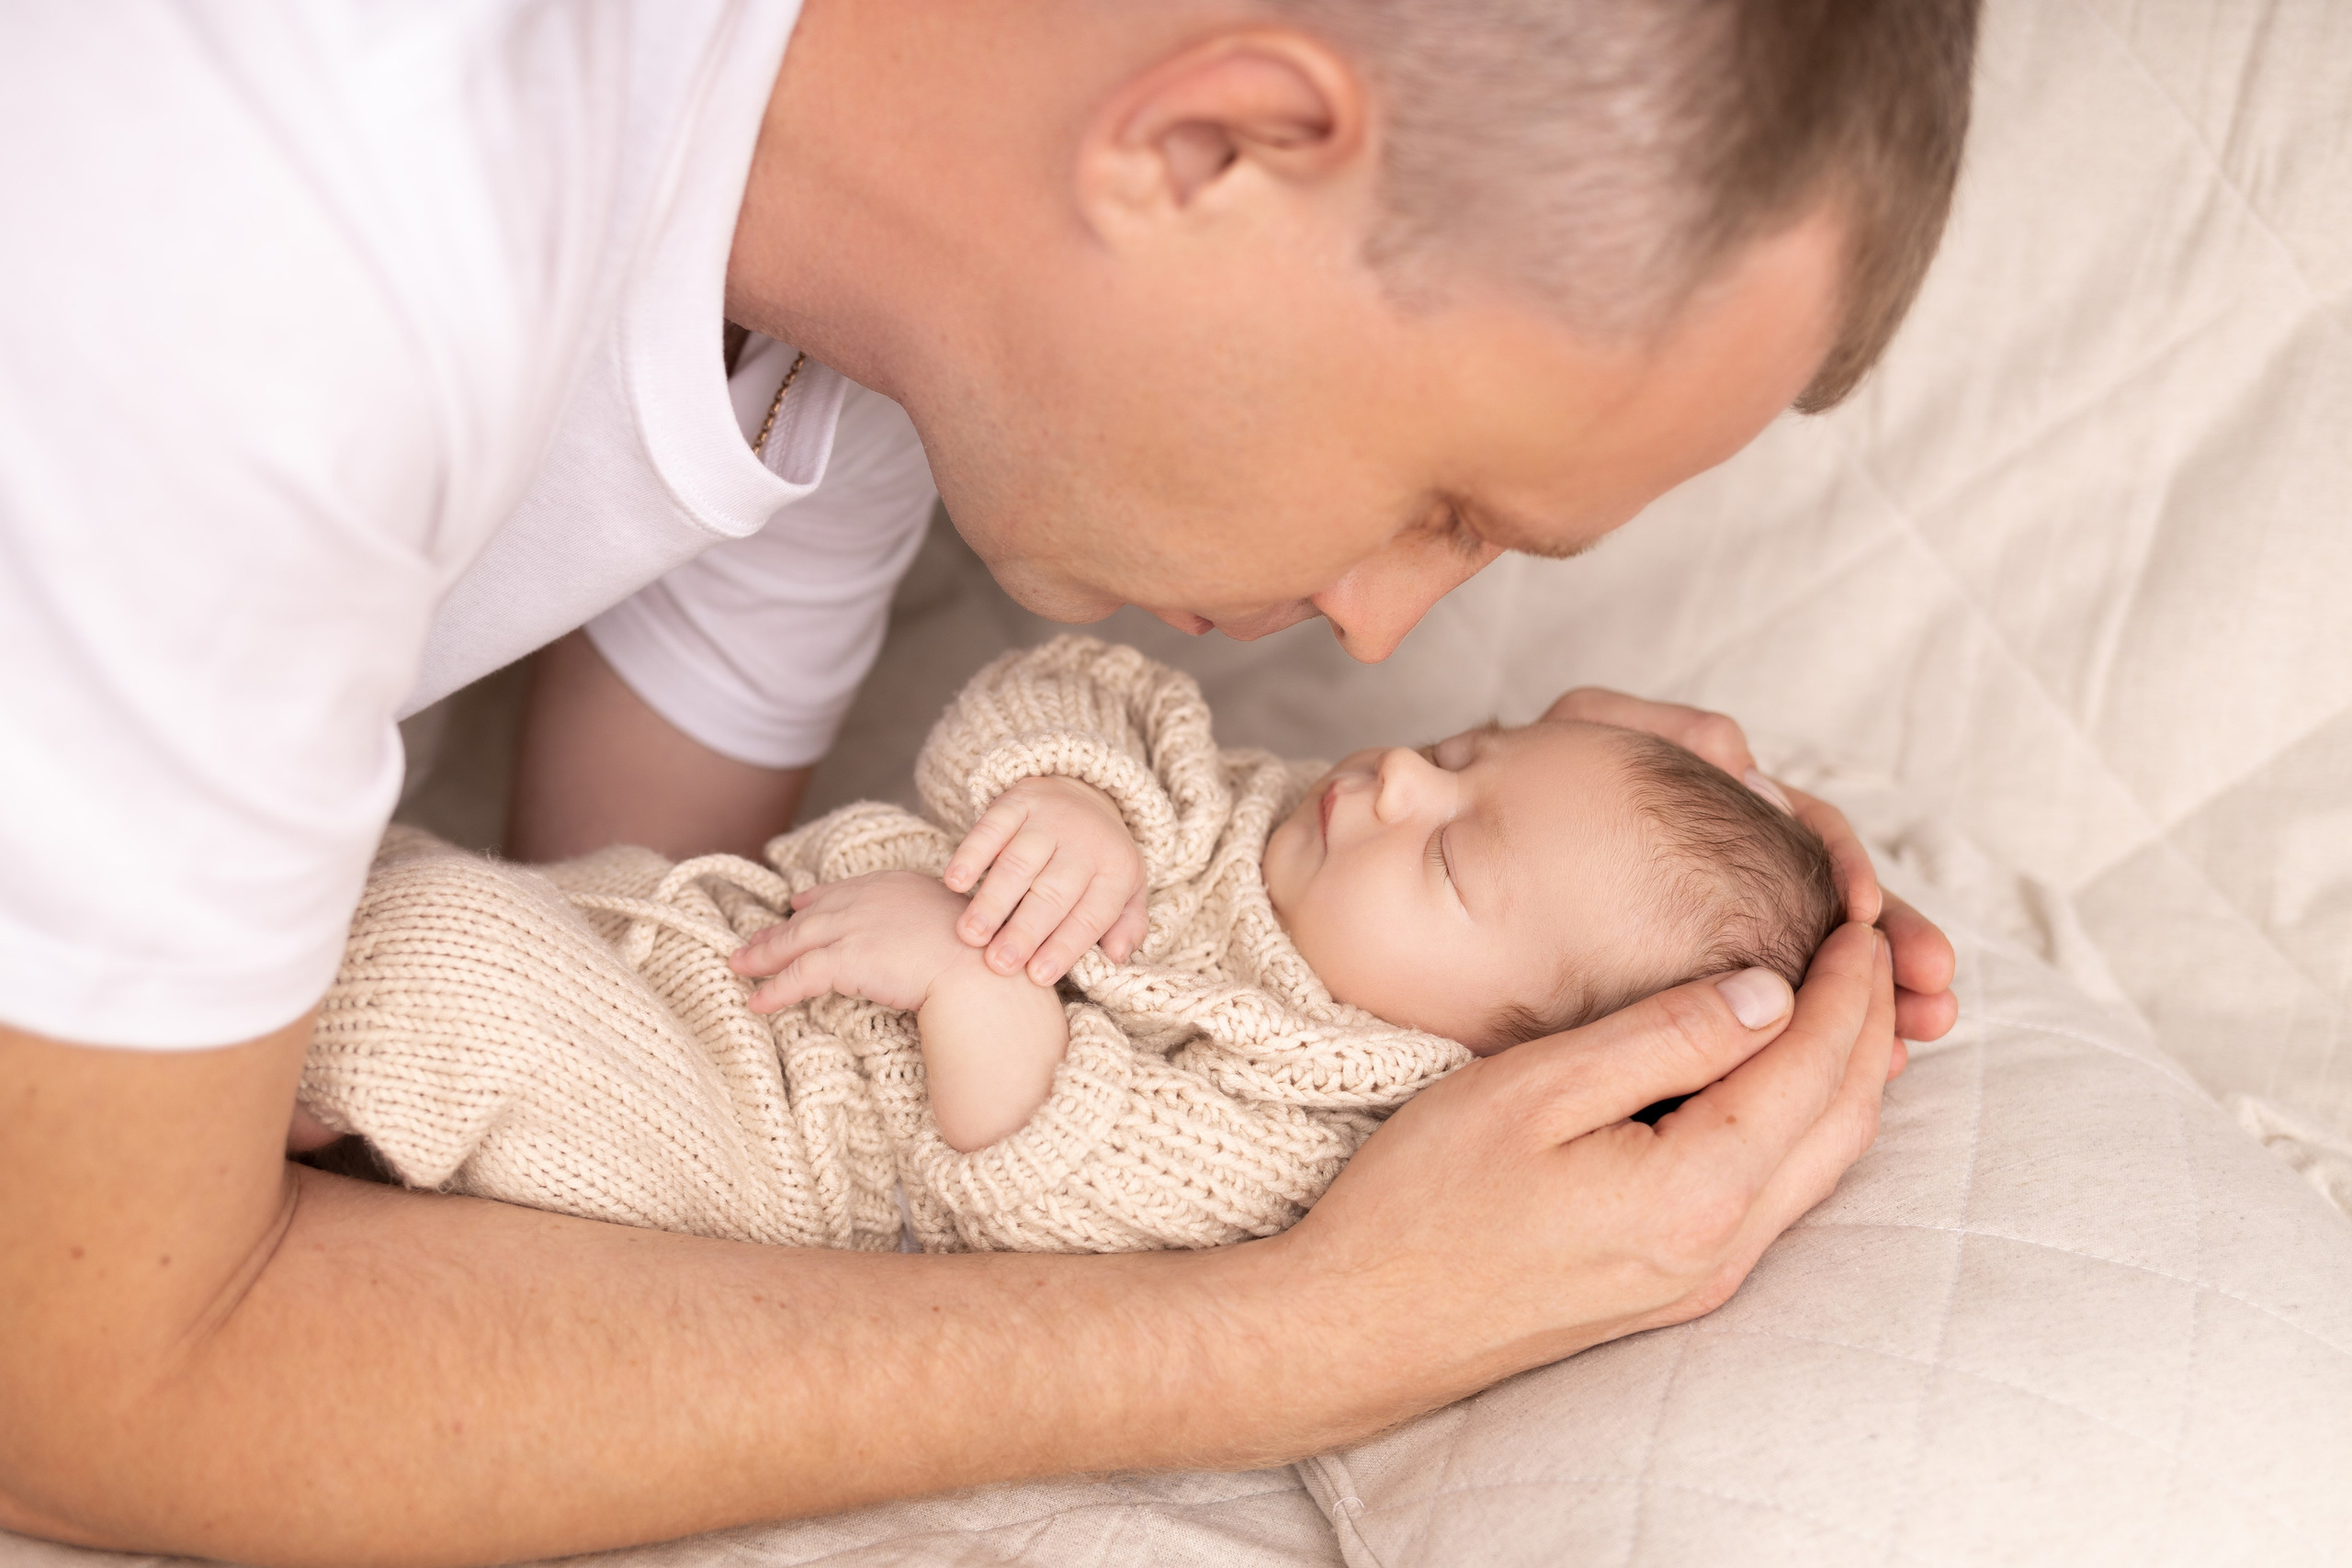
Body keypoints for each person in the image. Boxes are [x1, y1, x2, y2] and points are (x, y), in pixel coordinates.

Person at [0, 2, 1973, 1562]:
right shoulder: (268, 247)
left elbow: (642, 940)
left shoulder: (877, 336)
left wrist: (1625, 837)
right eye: (1447, 501)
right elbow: (78, 1374)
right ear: (1209, 149)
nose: (1382, 635)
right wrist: (1305, 1335)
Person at [295, 633, 1846, 1250]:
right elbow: (1080, 692)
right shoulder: (1260, 819)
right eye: (1463, 750)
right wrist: (1075, 795)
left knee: (447, 968)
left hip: (762, 1154)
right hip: (711, 934)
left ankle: (240, 1114)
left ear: (1492, 1062)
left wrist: (970, 975)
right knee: (353, 879)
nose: (1397, 782)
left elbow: (1058, 1171)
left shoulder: (1326, 1124)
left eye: (1451, 853)